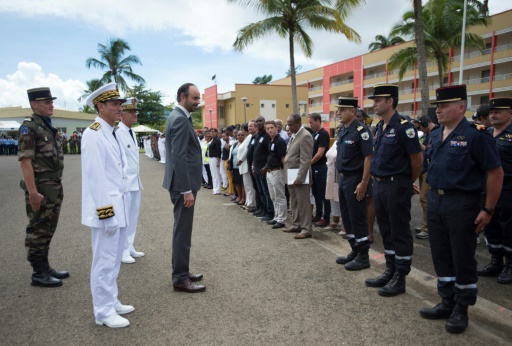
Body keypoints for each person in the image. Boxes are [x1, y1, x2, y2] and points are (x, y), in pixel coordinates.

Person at [419, 85, 503, 334]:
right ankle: (447, 300)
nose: (438, 110)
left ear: (460, 107)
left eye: (444, 106)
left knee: (462, 256)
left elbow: (495, 173)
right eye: (437, 106)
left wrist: (488, 209)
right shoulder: (434, 135)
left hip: (462, 203)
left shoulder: (477, 134)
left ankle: (462, 307)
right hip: (436, 200)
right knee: (440, 254)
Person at [82, 82, 133, 328]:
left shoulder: (110, 131)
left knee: (113, 260)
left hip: (118, 206)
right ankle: (102, 312)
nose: (119, 108)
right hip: (107, 211)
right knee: (103, 260)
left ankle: (110, 301)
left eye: (120, 104)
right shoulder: (92, 134)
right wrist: (107, 215)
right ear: (100, 106)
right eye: (114, 104)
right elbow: (96, 179)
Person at [365, 84, 423, 297]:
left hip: (396, 185)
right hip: (380, 184)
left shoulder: (403, 126)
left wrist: (406, 183)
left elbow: (417, 161)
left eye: (378, 100)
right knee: (386, 229)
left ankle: (401, 276)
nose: (374, 104)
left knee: (399, 230)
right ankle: (390, 269)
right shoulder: (380, 127)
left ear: (390, 101)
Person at [18, 87, 68, 288]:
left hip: (53, 185)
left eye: (51, 101)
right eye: (47, 102)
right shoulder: (29, 127)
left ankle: (45, 266)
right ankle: (38, 272)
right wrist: (32, 193)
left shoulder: (46, 126)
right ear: (34, 104)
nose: (51, 104)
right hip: (41, 186)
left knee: (49, 227)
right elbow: (25, 161)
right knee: (38, 227)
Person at [162, 83, 205, 293]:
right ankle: (180, 277)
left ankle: (182, 270)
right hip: (182, 186)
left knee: (182, 229)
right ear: (182, 97)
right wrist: (186, 190)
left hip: (181, 184)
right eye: (195, 98)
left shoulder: (179, 117)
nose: (198, 102)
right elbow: (179, 157)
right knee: (182, 231)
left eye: (199, 98)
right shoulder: (179, 119)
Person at [334, 97, 373, 271]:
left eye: (342, 110)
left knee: (357, 217)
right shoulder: (343, 130)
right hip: (343, 179)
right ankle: (354, 250)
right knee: (347, 216)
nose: (339, 113)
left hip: (355, 179)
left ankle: (363, 256)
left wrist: (364, 183)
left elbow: (368, 158)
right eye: (338, 110)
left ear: (352, 111)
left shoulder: (361, 130)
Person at [477, 97, 512, 284]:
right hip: (487, 189)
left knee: (509, 228)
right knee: (491, 226)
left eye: (498, 111)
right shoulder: (486, 132)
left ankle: (510, 265)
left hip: (508, 190)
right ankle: (495, 261)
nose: (493, 114)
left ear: (510, 113)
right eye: (491, 112)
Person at [116, 97, 145, 264]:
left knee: (133, 216)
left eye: (135, 111)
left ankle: (129, 245)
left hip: (135, 181)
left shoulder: (131, 132)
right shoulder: (117, 133)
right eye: (131, 111)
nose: (134, 114)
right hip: (125, 183)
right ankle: (122, 251)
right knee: (124, 218)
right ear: (122, 114)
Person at [283, 114, 314, 239]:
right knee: (294, 201)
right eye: (288, 124)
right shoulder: (294, 135)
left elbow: (305, 159)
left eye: (291, 124)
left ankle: (306, 229)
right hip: (291, 174)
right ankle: (296, 224)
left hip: (299, 176)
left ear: (299, 123)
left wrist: (300, 177)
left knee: (303, 203)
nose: (289, 127)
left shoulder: (305, 136)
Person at [412, 115, 438, 240]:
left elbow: (432, 150)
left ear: (426, 124)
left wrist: (421, 146)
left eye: (421, 127)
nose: (420, 130)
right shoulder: (428, 134)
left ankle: (427, 228)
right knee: (424, 200)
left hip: (430, 171)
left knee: (424, 199)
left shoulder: (437, 133)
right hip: (424, 169)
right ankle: (425, 225)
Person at [261, 120, 287, 229]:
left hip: (277, 171)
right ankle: (276, 217)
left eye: (272, 127)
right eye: (268, 128)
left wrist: (284, 172)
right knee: (273, 196)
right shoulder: (271, 141)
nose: (270, 130)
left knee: (279, 196)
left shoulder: (279, 140)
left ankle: (281, 219)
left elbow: (283, 158)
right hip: (270, 171)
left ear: (276, 128)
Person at [308, 113, 331, 227]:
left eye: (312, 122)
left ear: (318, 121)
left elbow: (320, 153)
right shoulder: (314, 134)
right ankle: (318, 214)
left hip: (320, 167)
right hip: (313, 167)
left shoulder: (323, 134)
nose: (310, 124)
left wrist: (309, 163)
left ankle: (326, 218)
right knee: (316, 193)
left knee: (323, 194)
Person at [253, 116, 274, 222]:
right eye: (257, 121)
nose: (258, 123)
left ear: (264, 122)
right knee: (261, 191)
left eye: (260, 121)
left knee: (267, 192)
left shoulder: (267, 136)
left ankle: (270, 212)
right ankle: (264, 209)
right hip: (256, 169)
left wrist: (266, 166)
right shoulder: (257, 136)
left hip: (264, 169)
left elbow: (270, 153)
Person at [208, 128, 222, 195]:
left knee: (216, 174)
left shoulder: (217, 140)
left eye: (213, 131)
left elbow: (218, 151)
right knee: (213, 174)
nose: (211, 133)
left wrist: (218, 160)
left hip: (215, 158)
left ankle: (218, 189)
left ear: (216, 132)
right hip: (211, 158)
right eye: (210, 132)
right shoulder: (212, 140)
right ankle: (215, 188)